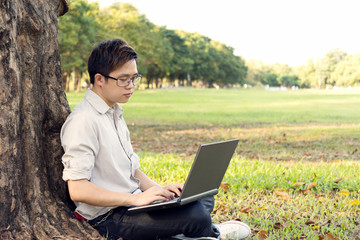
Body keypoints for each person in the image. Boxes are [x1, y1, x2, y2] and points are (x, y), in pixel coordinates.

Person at [60, 38, 251, 240]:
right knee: (196, 214)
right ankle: (214, 234)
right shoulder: (83, 121)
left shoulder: (114, 112)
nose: (131, 86)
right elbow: (78, 189)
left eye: (134, 78)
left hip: (132, 204)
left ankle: (194, 234)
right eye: (124, 79)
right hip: (108, 217)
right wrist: (136, 199)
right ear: (99, 79)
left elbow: (132, 170)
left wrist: (159, 190)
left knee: (202, 197)